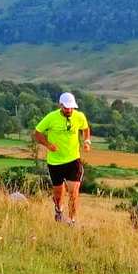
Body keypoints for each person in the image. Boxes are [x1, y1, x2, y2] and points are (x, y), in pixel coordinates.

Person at [33, 92, 91, 225]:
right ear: (60, 105)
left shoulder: (79, 116)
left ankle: (71, 221)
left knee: (73, 192)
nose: (69, 110)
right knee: (58, 195)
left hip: (73, 160)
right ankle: (59, 209)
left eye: (71, 107)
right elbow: (37, 133)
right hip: (55, 162)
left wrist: (87, 141)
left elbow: (86, 129)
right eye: (66, 108)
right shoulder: (51, 117)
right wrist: (48, 144)